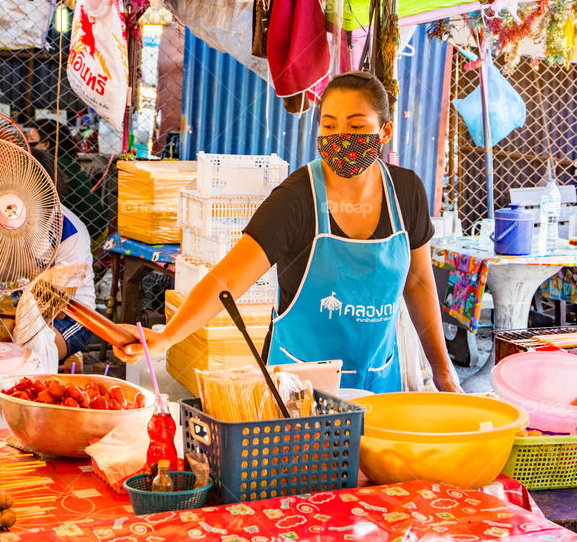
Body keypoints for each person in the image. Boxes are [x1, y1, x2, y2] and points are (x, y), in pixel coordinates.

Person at [116, 71, 461, 393]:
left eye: (356, 128)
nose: (340, 137)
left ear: (384, 133)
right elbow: (226, 280)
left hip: (380, 381)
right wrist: (167, 337)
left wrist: (444, 376)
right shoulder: (297, 199)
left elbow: (418, 282)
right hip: (300, 388)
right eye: (329, 126)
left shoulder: (406, 192)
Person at [30, 148, 100, 363]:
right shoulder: (1, 219)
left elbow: (57, 310)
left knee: (34, 355)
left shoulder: (70, 232)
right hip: (24, 307)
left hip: (71, 316)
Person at [28, 119, 108, 249]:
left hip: (89, 235)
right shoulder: (65, 161)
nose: (28, 143)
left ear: (46, 144)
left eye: (31, 139)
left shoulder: (54, 168)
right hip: (98, 229)